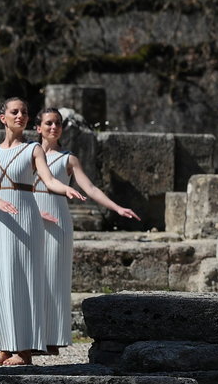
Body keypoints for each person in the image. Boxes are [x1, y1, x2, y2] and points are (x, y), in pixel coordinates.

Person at [0, 98, 86, 367]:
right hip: (1, 219)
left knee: (25, 280)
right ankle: (3, 347)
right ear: (3, 117)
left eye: (24, 112)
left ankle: (24, 351)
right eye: (15, 112)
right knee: (2, 280)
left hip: (27, 217)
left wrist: (66, 189)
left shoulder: (33, 150)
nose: (21, 116)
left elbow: (49, 180)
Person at [33, 108, 141, 356]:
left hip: (57, 218)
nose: (54, 127)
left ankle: (52, 339)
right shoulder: (28, 155)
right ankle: (32, 336)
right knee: (33, 278)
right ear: (38, 127)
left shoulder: (68, 159)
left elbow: (90, 188)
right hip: (32, 215)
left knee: (54, 277)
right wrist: (33, 213)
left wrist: (117, 207)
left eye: (58, 123)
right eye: (48, 123)